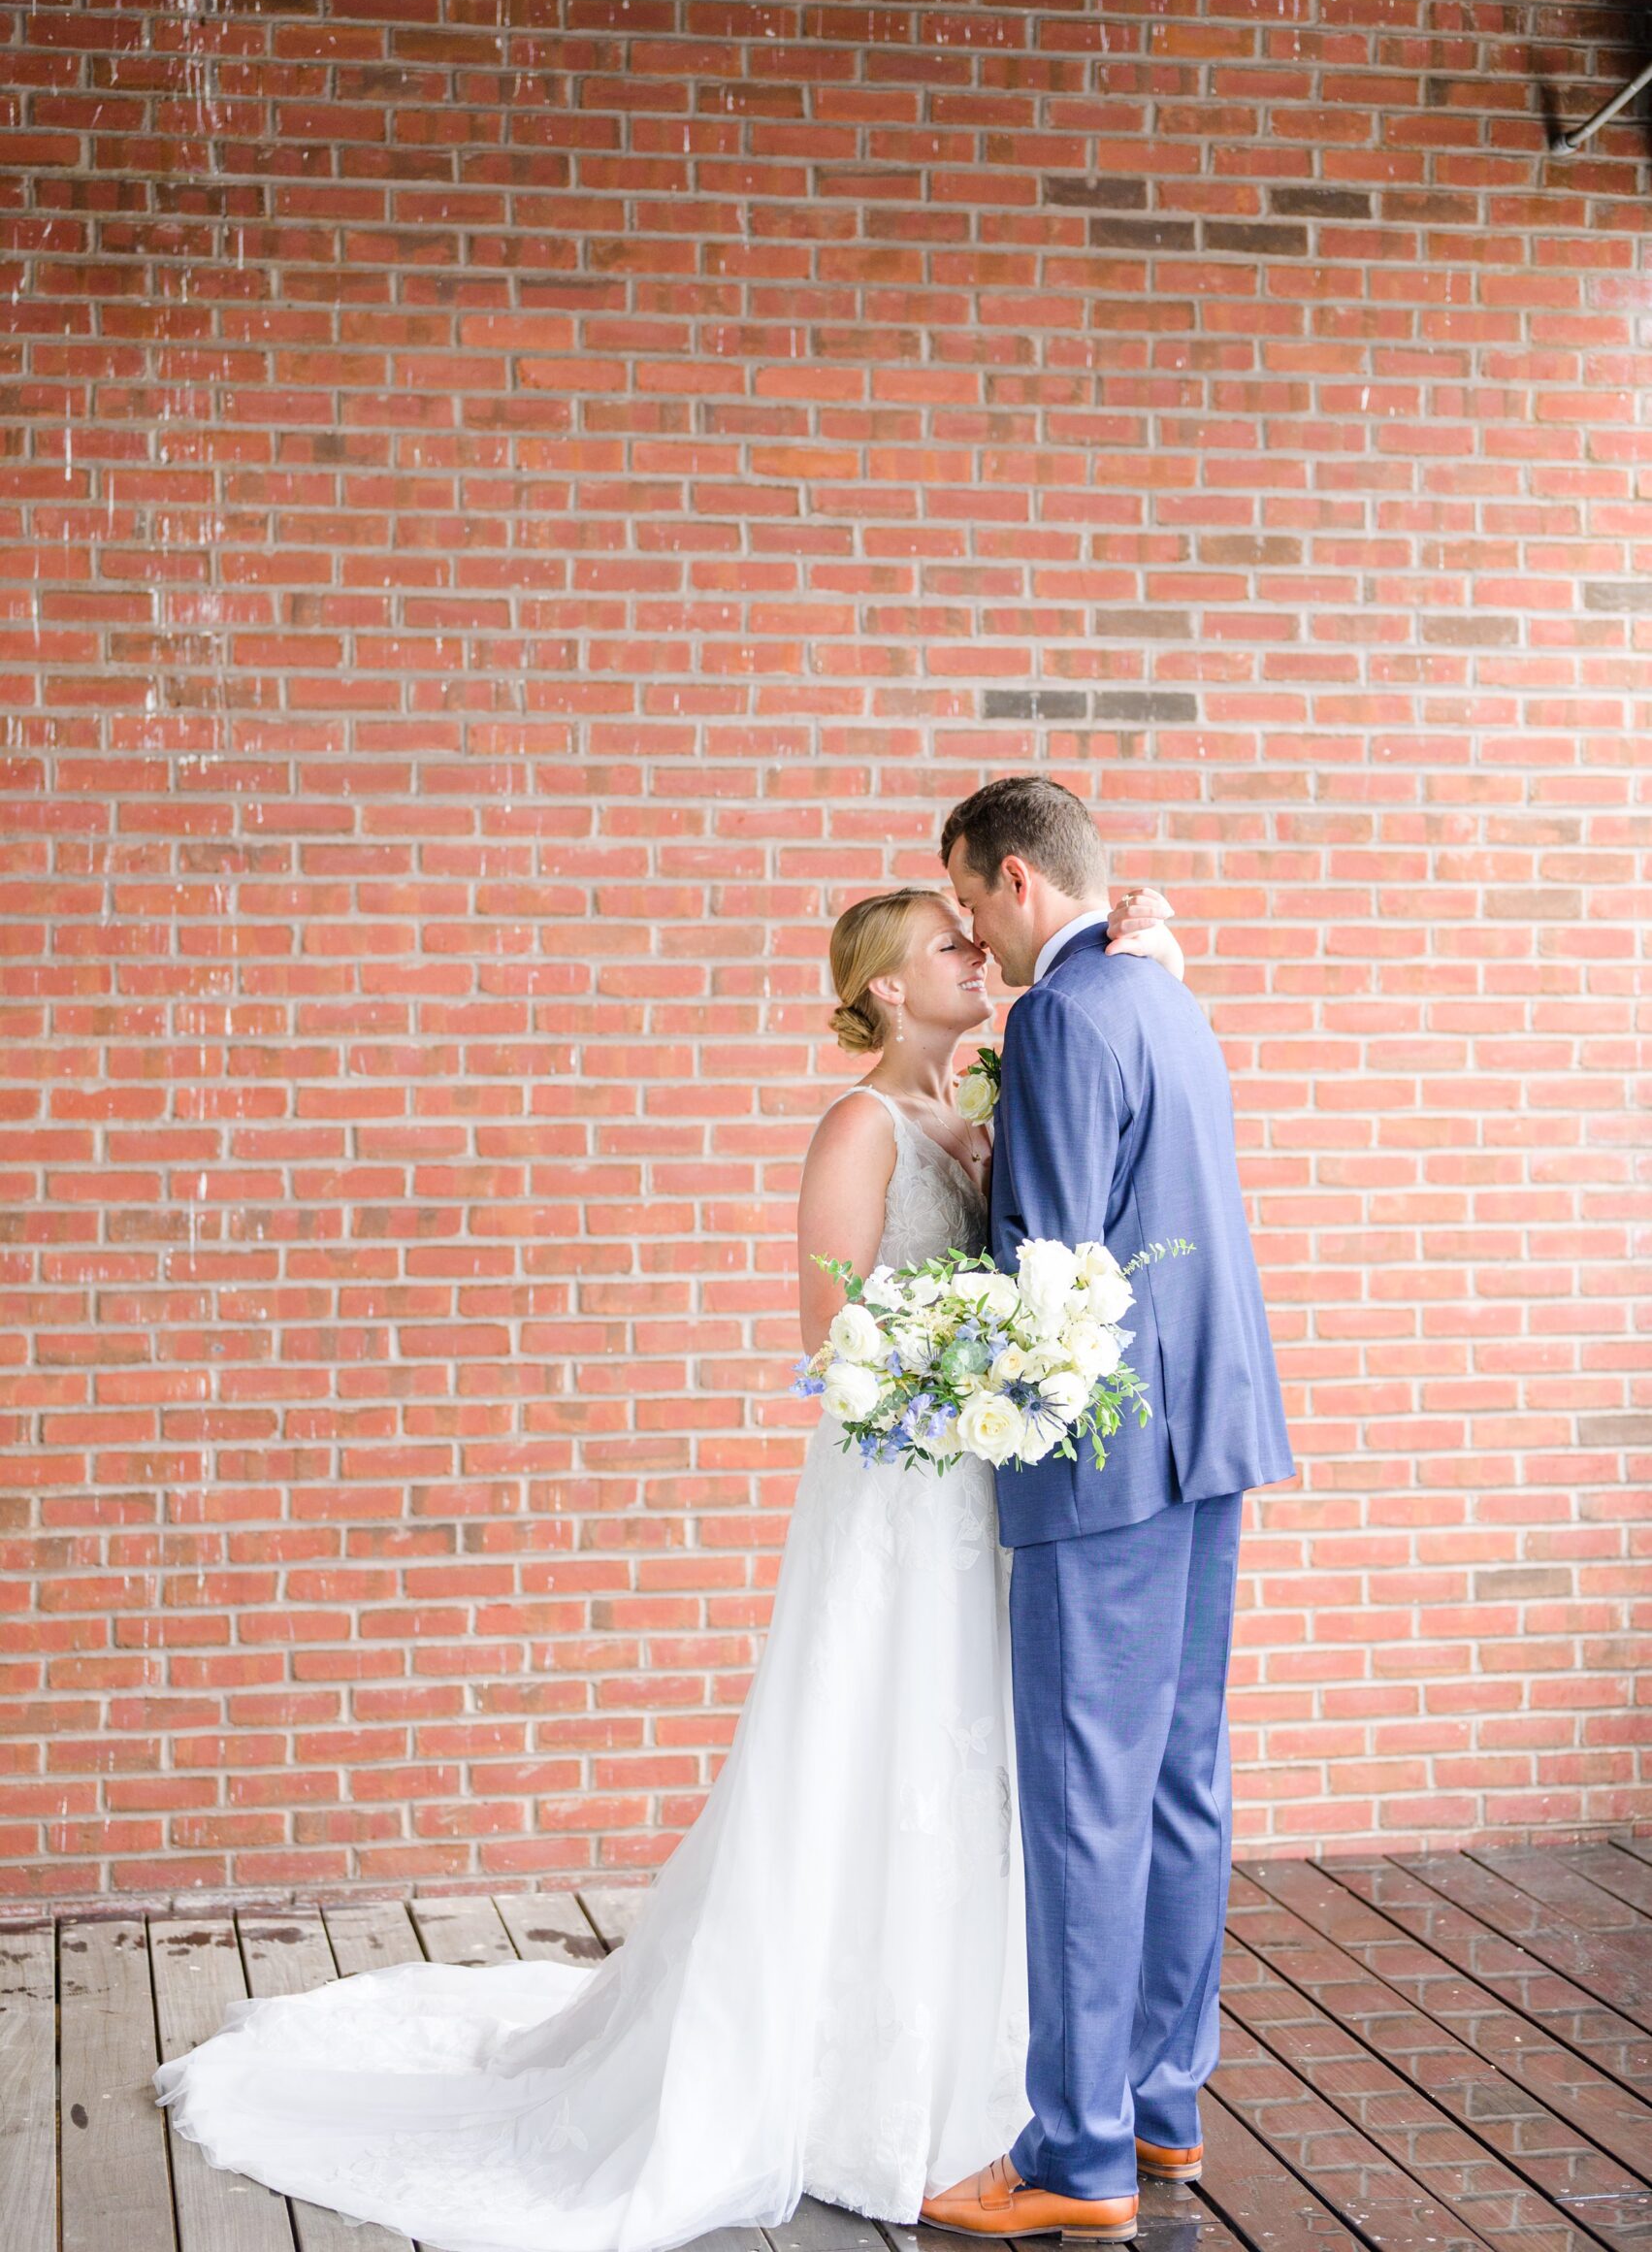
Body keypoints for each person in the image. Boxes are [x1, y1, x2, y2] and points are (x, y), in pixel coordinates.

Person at [152, 872, 1183, 2252]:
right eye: (947, 946)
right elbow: (836, 1351)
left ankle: (993, 2072)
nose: (973, 956)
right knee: (868, 1747)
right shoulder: (859, 1125)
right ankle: (833, 2075)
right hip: (896, 1500)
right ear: (885, 983)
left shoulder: (979, 1119)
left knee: (980, 1757)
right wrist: (981, 1364)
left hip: (979, 1495)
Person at [921, 777, 1294, 2247]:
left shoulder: (1065, 1017)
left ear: (1019, 882)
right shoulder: (1168, 996)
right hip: (1212, 1437)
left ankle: (1073, 2155)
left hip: (1106, 1459)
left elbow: (1058, 1264)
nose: (968, 932)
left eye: (966, 902)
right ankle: (1160, 2106)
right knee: (1181, 1781)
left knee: (1087, 1800)